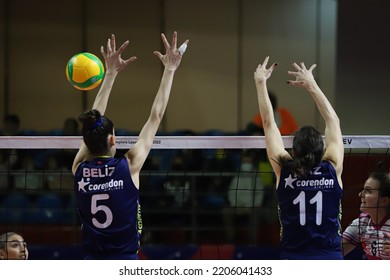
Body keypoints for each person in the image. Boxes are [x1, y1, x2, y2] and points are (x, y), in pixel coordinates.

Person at [72, 32, 189, 260]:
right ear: (113, 139)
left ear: (86, 141)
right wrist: (170, 69)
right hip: (125, 262)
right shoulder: (128, 166)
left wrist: (110, 75)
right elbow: (156, 116)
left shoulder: (79, 169)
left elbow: (95, 122)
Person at [254, 56, 344, 259]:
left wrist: (260, 83)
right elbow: (333, 120)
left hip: (293, 258)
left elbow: (268, 123)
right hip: (330, 258)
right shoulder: (332, 167)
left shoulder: (284, 169)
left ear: (293, 152)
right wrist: (311, 85)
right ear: (322, 150)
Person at [343, 172, 390, 259]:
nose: (360, 194)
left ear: (384, 201)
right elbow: (336, 252)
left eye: (368, 191)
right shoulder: (361, 223)